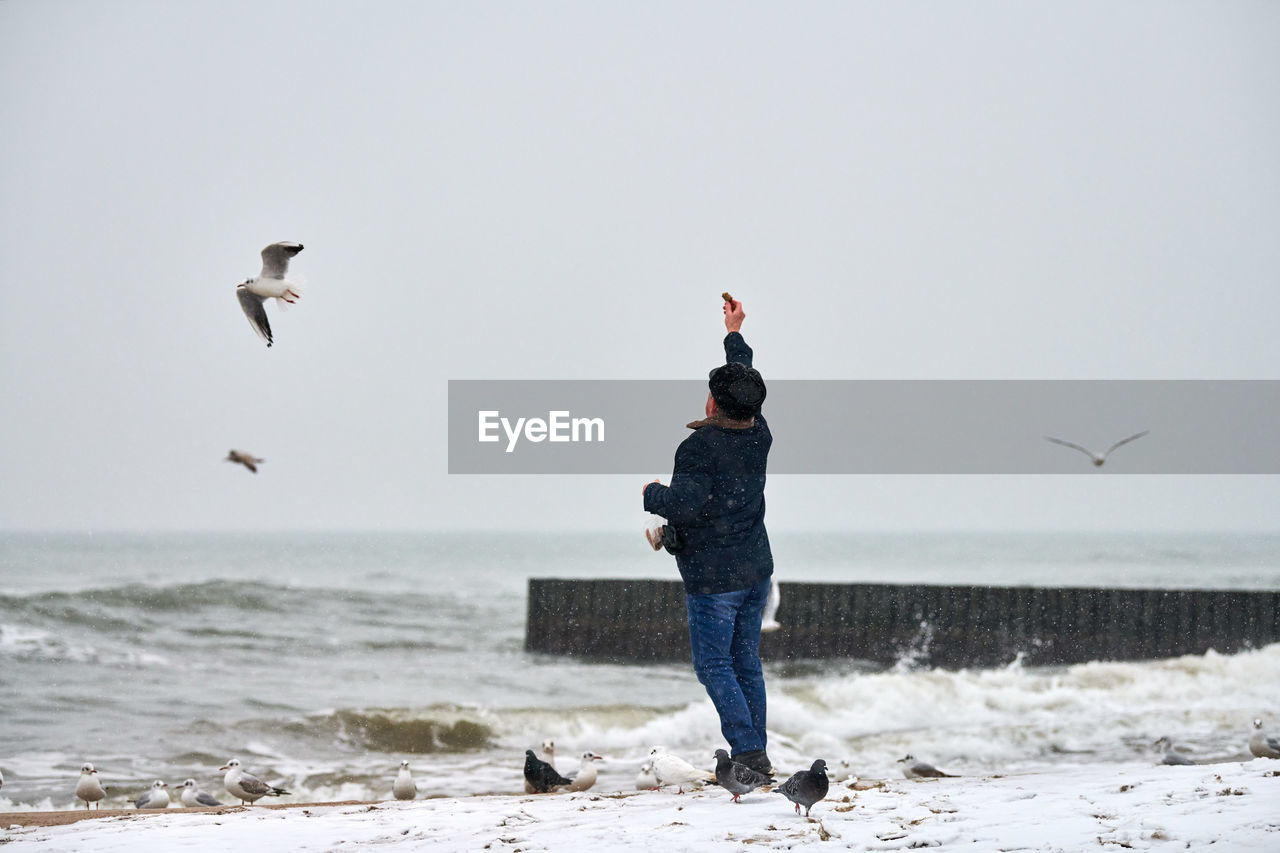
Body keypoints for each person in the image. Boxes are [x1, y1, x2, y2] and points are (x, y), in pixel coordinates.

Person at [642, 296, 774, 776]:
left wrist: (652, 492)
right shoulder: (758, 432)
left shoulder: (698, 447)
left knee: (714, 666)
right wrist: (733, 333)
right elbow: (743, 377)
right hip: (755, 571)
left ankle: (748, 752)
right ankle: (754, 753)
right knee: (746, 664)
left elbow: (683, 505)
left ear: (712, 403)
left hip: (715, 580)